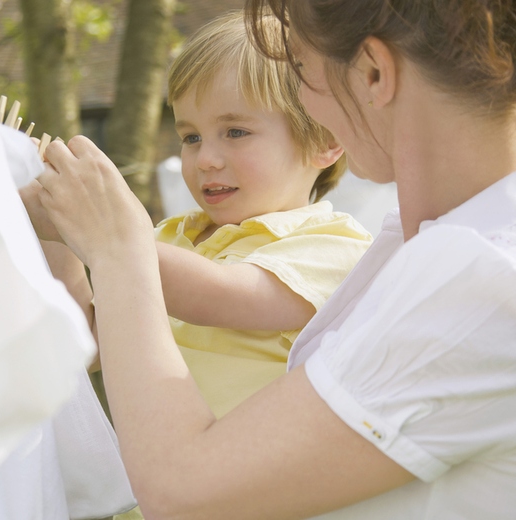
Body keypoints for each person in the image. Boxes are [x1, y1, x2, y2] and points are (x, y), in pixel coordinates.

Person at [34, 1, 516, 518]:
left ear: (374, 73)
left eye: (304, 70)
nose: (307, 99)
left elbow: (186, 488)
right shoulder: (428, 247)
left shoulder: (479, 274)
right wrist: (65, 241)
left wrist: (113, 244)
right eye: (191, 135)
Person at [25, 11, 372, 422]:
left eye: (236, 132)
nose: (205, 159)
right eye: (191, 137)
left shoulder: (335, 245)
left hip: (253, 477)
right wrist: (54, 231)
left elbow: (223, 296)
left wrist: (102, 233)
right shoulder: (167, 239)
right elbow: (88, 345)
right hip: (153, 473)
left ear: (325, 139)